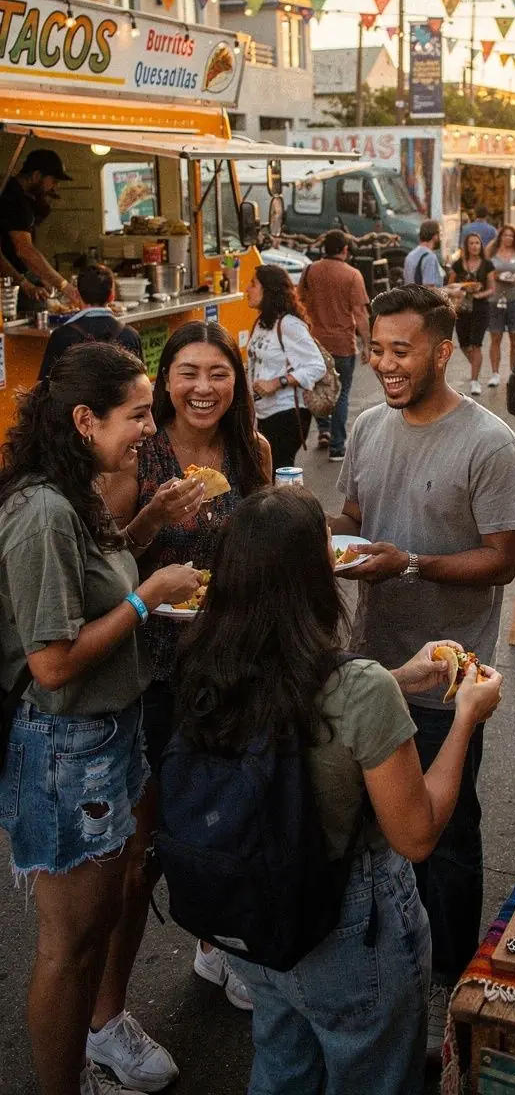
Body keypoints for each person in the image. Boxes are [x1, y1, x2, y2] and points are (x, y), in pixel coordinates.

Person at [172, 487, 502, 1095]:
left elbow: (309, 708)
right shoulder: (357, 688)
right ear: (315, 578)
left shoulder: (208, 659)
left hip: (256, 921)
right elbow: (418, 833)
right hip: (350, 931)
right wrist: (465, 719)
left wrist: (397, 677)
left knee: (282, 1064)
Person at [332, 284, 515, 1051]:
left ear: (442, 350)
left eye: (401, 350)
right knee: (369, 828)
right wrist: (317, 537)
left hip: (449, 677)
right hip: (369, 665)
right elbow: (354, 519)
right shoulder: (367, 427)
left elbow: (503, 560)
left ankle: (449, 980)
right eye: (376, 349)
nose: (384, 364)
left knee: (446, 835)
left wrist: (410, 563)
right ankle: (388, 960)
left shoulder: (488, 443)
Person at [0, 344, 200, 1095]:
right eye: (138, 414)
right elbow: (52, 661)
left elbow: (91, 581)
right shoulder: (43, 510)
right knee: (69, 945)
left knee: (94, 929)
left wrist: (146, 521)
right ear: (85, 419)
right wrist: (149, 596)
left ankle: (87, 1058)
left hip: (107, 734)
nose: (152, 428)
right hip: (65, 745)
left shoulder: (77, 489)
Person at [94, 321, 272, 1046]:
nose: (204, 388)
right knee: (140, 858)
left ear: (237, 380)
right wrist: (150, 517)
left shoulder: (252, 451)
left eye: (219, 373)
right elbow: (100, 568)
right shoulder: (138, 457)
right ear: (164, 383)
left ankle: (215, 948)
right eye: (188, 373)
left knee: (227, 825)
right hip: (153, 676)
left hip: (231, 670)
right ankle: (105, 1018)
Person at [299, 230, 370, 462]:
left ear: (324, 248)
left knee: (318, 389)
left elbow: (299, 300)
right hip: (342, 344)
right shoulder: (353, 275)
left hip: (314, 344)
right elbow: (360, 313)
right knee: (341, 394)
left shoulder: (310, 270)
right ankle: (337, 447)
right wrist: (368, 344)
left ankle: (324, 430)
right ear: (345, 250)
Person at [247, 264, 327, 468]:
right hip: (262, 412)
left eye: (253, 284)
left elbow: (317, 366)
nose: (247, 290)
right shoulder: (261, 323)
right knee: (266, 474)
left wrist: (277, 382)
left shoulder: (289, 324)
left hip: (286, 414)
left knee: (279, 473)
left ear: (268, 289)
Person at [0, 148, 81, 308]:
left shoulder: (11, 193)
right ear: (36, 176)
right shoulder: (16, 201)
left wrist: (42, 278)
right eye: (53, 181)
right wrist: (64, 286)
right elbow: (25, 251)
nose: (54, 188)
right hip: (8, 290)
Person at [38, 263, 143, 380]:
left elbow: (45, 388)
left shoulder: (61, 336)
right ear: (112, 296)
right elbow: (141, 386)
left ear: (77, 295)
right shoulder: (130, 336)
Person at [485, 224, 515, 388]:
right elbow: (485, 269)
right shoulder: (492, 251)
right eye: (505, 235)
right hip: (496, 298)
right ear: (500, 237)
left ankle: (513, 373)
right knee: (495, 337)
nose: (508, 238)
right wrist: (495, 276)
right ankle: (495, 373)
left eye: (511, 236)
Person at [447, 232, 494, 395]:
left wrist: (478, 294)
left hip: (480, 308)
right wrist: (460, 289)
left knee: (476, 344)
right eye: (471, 243)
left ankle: (475, 380)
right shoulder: (458, 265)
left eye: (477, 243)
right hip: (462, 309)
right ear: (466, 247)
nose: (475, 246)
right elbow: (449, 286)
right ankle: (476, 366)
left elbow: (491, 289)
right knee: (464, 344)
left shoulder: (487, 265)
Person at [403, 220, 445, 286]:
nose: (442, 238)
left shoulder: (410, 255)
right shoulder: (430, 257)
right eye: (441, 234)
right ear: (435, 236)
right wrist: (451, 292)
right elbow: (429, 289)